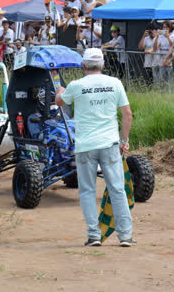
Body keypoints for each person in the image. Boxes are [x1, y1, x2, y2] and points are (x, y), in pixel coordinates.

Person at [55, 47, 134, 247]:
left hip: (85, 146)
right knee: (117, 189)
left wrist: (60, 90)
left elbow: (59, 102)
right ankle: (125, 236)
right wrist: (124, 140)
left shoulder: (76, 85)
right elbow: (127, 114)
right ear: (103, 64)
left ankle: (94, 236)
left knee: (88, 191)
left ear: (83, 66)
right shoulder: (114, 83)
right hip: (109, 144)